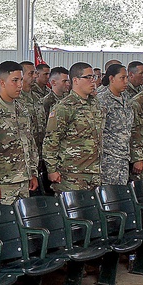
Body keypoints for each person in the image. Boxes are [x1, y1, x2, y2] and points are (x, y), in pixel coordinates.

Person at [0, 61, 39, 204]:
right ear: (2, 82)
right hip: (3, 185)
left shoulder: (23, 109)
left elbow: (30, 143)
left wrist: (32, 172)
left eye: (20, 80)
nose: (20, 85)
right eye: (15, 81)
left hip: (24, 182)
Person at [43, 62, 103, 191]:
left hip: (94, 172)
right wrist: (52, 169)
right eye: (88, 77)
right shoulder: (64, 107)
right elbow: (51, 141)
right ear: (75, 80)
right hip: (71, 174)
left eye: (94, 77)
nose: (93, 81)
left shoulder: (95, 104)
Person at [96, 63, 133, 185]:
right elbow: (97, 131)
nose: (126, 81)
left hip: (124, 157)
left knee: (122, 194)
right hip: (109, 158)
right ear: (111, 78)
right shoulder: (102, 100)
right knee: (110, 195)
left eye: (127, 77)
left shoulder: (126, 98)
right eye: (122, 78)